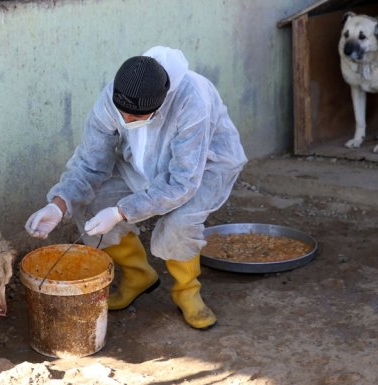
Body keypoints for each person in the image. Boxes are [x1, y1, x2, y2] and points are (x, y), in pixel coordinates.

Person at [25, 46, 247, 329]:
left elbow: (182, 183)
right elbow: (91, 162)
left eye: (135, 118)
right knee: (92, 203)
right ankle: (137, 276)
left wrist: (121, 211)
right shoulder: (113, 96)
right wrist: (59, 204)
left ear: (160, 105)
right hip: (140, 164)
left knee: (179, 223)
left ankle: (187, 291)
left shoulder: (193, 103)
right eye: (123, 115)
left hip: (203, 168)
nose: (126, 122)